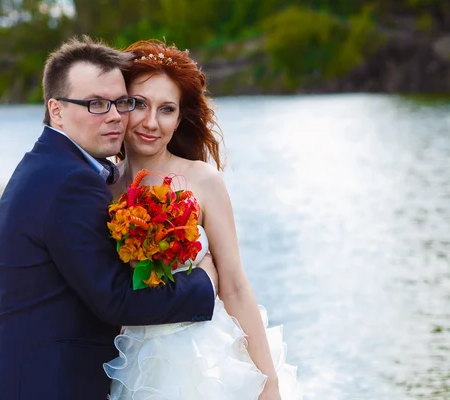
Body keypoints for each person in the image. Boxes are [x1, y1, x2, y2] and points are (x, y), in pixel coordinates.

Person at [0, 36, 219, 400]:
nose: (115, 116)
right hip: (47, 383)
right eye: (95, 104)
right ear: (56, 110)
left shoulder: (50, 164)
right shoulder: (70, 181)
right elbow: (115, 299)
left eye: (121, 102)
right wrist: (205, 284)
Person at [104, 40, 302, 399]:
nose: (151, 122)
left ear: (179, 119)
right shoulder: (104, 187)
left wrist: (268, 384)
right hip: (132, 360)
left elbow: (235, 284)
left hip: (209, 359)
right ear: (121, 107)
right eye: (139, 104)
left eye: (166, 109)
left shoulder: (202, 180)